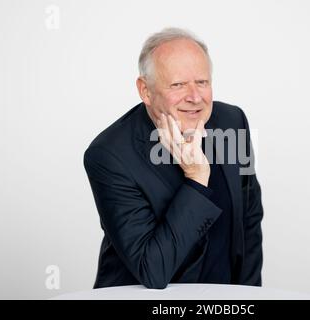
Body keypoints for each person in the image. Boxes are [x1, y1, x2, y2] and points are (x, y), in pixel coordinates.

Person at [83, 28, 264, 289]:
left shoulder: (233, 122)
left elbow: (249, 220)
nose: (194, 97)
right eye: (178, 85)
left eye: (202, 82)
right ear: (145, 91)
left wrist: (246, 299)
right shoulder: (109, 155)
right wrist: (197, 178)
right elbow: (152, 270)